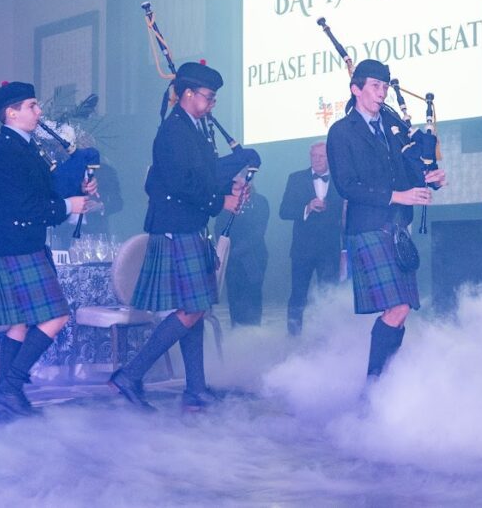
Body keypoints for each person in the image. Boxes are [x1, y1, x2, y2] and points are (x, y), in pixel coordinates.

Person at [109, 61, 246, 414]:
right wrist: (221, 200)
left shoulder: (195, 128)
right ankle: (131, 374)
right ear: (187, 94)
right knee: (192, 308)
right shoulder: (173, 131)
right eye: (208, 97)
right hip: (176, 226)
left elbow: (201, 176)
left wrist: (229, 186)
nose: (212, 104)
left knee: (195, 309)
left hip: (190, 224)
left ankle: (195, 388)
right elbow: (180, 184)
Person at [0, 81, 95, 418]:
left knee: (17, 324)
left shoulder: (20, 144)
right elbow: (24, 206)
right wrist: (67, 205)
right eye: (32, 105)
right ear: (11, 112)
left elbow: (43, 190)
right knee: (56, 316)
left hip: (17, 243)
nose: (39, 112)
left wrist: (76, 188)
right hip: (17, 243)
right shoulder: (7, 149)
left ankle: (5, 397)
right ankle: (10, 387)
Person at [326, 59, 446, 380]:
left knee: (401, 309)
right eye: (375, 87)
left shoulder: (393, 128)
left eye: (384, 87)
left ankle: (381, 383)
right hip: (367, 228)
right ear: (356, 90)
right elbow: (347, 185)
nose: (382, 94)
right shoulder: (341, 132)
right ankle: (376, 385)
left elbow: (410, 168)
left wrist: (430, 177)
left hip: (396, 228)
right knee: (398, 307)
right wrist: (398, 195)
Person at [278, 141, 344, 335]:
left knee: (328, 295)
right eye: (313, 156)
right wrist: (306, 207)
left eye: (321, 156)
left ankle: (328, 336)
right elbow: (284, 211)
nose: (316, 160)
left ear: (329, 158)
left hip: (329, 249)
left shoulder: (340, 180)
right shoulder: (296, 178)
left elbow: (345, 212)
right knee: (298, 295)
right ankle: (293, 337)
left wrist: (329, 208)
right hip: (302, 249)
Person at [214, 178, 269, 327]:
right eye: (234, 183)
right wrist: (227, 251)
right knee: (234, 295)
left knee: (253, 295)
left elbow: (259, 231)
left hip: (254, 257)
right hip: (231, 258)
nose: (236, 185)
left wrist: (239, 250)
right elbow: (219, 228)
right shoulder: (226, 203)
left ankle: (254, 332)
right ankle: (236, 330)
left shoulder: (260, 202)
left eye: (240, 182)